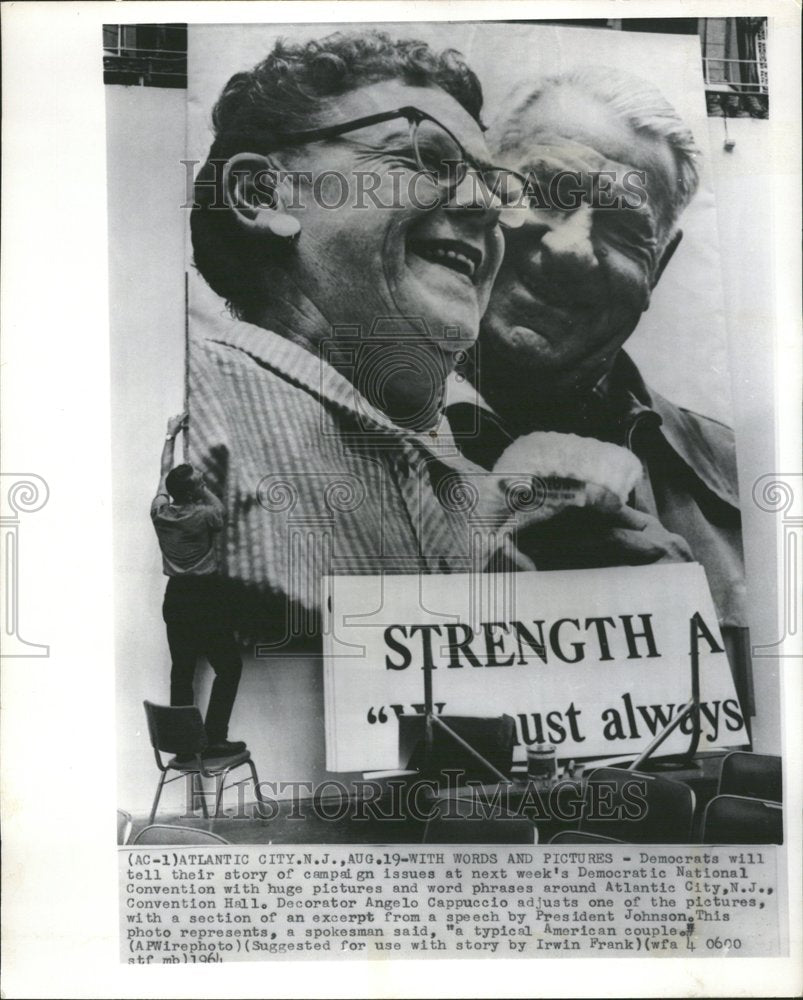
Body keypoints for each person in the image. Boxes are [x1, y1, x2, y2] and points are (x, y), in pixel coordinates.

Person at [188, 29, 531, 644]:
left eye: (492, 183)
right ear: (261, 194)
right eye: (423, 159)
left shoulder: (485, 499)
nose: (484, 203)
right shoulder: (182, 403)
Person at [453, 65, 749, 704]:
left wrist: (687, 643)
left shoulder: (748, 490)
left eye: (623, 229)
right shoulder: (313, 434)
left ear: (659, 268)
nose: (571, 248)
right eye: (546, 191)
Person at [151, 413, 246, 756]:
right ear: (194, 493)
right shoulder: (206, 514)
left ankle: (185, 747)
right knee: (230, 667)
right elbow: (219, 509)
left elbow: (165, 475)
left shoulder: (160, 512)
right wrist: (205, 488)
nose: (204, 480)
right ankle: (215, 738)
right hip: (206, 598)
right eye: (200, 481)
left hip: (176, 598)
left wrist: (170, 435)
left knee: (182, 672)